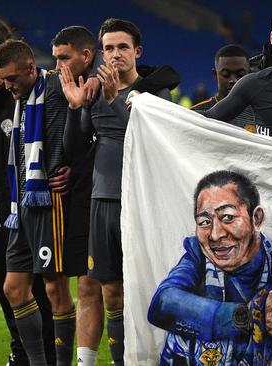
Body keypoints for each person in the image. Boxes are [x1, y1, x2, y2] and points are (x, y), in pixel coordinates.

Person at [59, 18, 173, 366]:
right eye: (108, 47)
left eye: (122, 47)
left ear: (137, 51)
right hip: (102, 201)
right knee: (110, 293)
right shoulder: (92, 92)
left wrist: (112, 102)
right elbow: (73, 150)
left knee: (142, 289)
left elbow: (152, 144)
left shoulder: (156, 93)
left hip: (139, 202)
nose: (115, 54)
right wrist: (76, 107)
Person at [0, 41, 56, 366]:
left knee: (43, 291)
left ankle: (48, 353)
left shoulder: (17, 98)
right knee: (9, 291)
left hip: (24, 212)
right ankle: (22, 352)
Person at [0, 39, 73, 366]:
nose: (7, 85)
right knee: (14, 288)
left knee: (56, 291)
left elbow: (87, 123)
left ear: (30, 68)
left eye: (11, 78)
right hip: (22, 205)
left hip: (50, 203)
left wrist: (76, 169)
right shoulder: (21, 97)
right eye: (3, 79)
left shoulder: (54, 87)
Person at [148, 170, 272, 365]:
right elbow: (163, 304)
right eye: (205, 222)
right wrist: (248, 315)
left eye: (228, 218)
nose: (215, 235)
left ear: (256, 218)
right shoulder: (197, 256)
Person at [50, 25, 105, 366]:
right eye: (55, 58)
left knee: (114, 290)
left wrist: (99, 79)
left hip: (114, 199)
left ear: (86, 56)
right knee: (84, 287)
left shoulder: (113, 86)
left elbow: (163, 76)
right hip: (81, 198)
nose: (58, 66)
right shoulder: (59, 88)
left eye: (64, 58)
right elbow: (72, 146)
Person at [192, 44, 255, 130]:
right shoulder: (195, 114)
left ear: (250, 74)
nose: (233, 80)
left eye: (240, 74)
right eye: (226, 74)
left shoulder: (263, 112)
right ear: (215, 75)